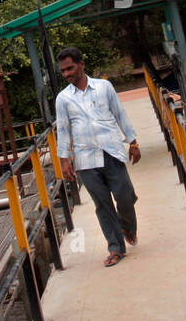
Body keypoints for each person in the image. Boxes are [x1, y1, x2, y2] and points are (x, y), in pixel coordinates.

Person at [54, 46, 141, 267]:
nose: (67, 74)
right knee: (103, 204)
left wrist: (133, 142)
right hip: (85, 159)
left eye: (70, 68)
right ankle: (115, 247)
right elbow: (63, 130)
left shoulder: (104, 87)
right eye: (63, 71)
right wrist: (64, 160)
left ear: (81, 65)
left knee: (125, 195)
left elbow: (120, 113)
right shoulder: (63, 99)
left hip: (111, 151)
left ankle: (128, 226)